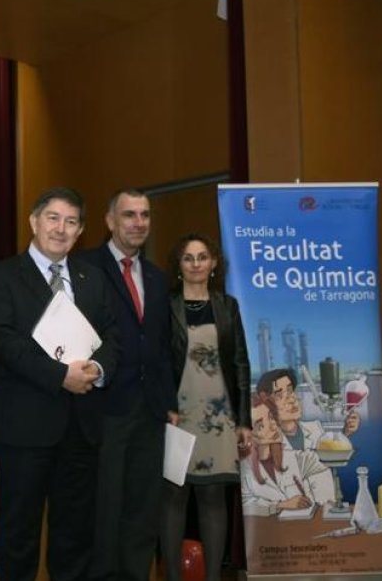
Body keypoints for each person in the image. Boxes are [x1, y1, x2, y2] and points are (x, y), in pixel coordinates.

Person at [0, 186, 117, 581]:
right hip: (24, 428)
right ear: (34, 221)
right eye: (53, 218)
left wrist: (97, 370)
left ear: (81, 232)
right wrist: (62, 377)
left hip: (82, 427)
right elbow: (5, 342)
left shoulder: (93, 279)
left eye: (71, 222)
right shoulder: (1, 276)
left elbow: (112, 335)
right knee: (18, 534)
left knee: (75, 536)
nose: (61, 228)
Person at [79, 189, 176, 581]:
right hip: (104, 408)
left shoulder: (156, 277)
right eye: (129, 215)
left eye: (145, 215)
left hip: (150, 411)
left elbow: (163, 345)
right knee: (104, 510)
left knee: (142, 509)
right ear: (110, 221)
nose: (138, 223)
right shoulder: (84, 267)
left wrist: (169, 401)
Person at [160, 233, 251, 581]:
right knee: (173, 495)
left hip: (220, 416)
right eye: (188, 257)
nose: (196, 263)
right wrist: (162, 406)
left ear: (214, 263)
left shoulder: (228, 306)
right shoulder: (165, 306)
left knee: (214, 497)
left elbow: (240, 362)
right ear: (179, 266)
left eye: (202, 257)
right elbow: (155, 362)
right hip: (177, 413)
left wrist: (243, 420)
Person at [239, 393, 334, 517]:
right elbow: (244, 505)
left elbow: (321, 464)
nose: (273, 426)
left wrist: (321, 501)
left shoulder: (294, 457)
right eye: (261, 425)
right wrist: (280, 505)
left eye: (271, 417)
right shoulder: (243, 468)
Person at [256, 368, 359, 451]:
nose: (291, 399)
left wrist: (346, 431)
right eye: (279, 395)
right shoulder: (264, 443)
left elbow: (331, 451)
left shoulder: (316, 429)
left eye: (290, 391)